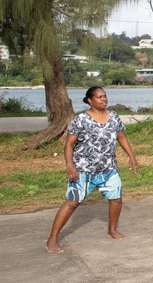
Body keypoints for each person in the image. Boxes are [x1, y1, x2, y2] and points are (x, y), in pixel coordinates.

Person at [46, 87, 139, 254]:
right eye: (99, 97)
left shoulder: (114, 117)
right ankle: (52, 238)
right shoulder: (81, 119)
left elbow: (121, 137)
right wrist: (69, 165)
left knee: (116, 199)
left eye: (105, 96)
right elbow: (69, 144)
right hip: (83, 170)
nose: (104, 99)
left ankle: (112, 230)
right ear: (89, 100)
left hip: (109, 168)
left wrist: (131, 156)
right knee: (72, 202)